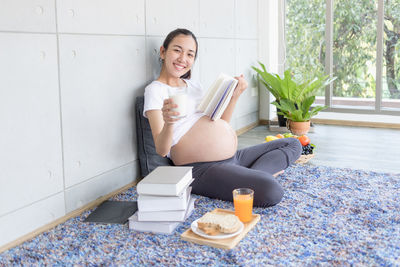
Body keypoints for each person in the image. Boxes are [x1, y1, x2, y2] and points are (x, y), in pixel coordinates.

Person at [143, 28, 302, 207]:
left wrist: (234, 96)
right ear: (163, 52)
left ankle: (252, 176)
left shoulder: (194, 86)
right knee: (272, 191)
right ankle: (258, 177)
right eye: (177, 50)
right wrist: (170, 123)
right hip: (201, 168)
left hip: (232, 158)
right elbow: (161, 149)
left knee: (293, 144)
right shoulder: (155, 90)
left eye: (190, 54)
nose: (183, 59)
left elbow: (218, 124)